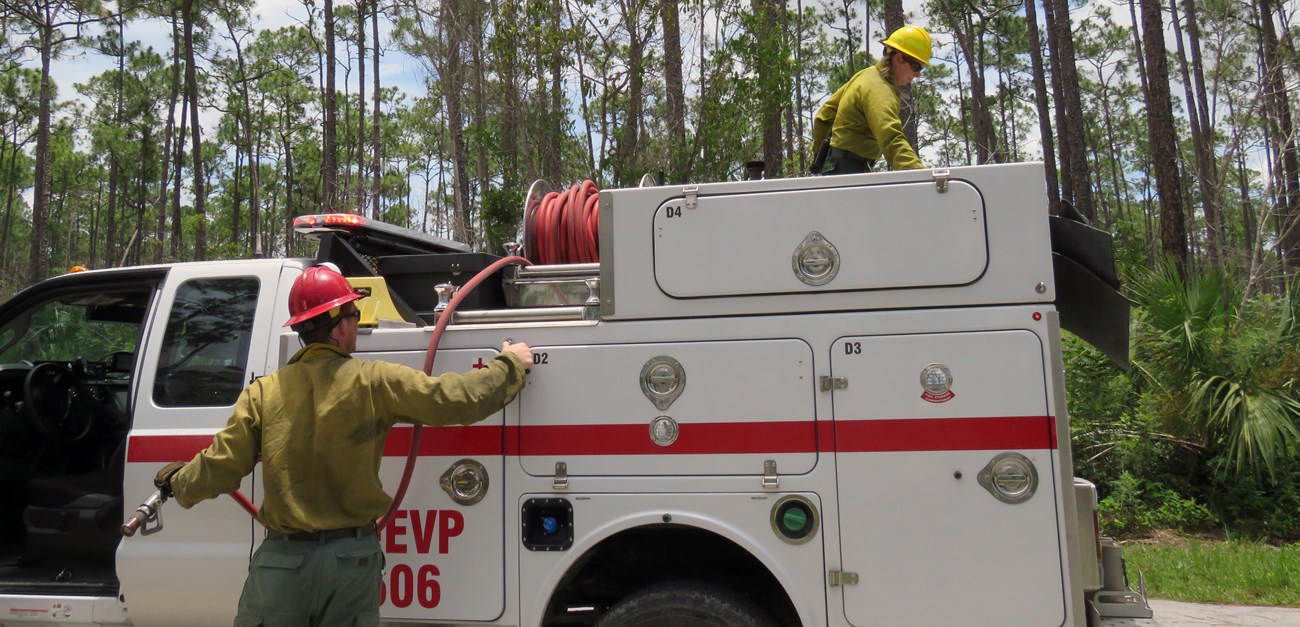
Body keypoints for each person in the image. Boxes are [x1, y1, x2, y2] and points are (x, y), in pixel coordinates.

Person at [152, 264, 533, 626]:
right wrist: (510, 365)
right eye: (352, 315)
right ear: (337, 329)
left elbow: (220, 467)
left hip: (283, 564)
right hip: (351, 563)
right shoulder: (373, 381)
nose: (356, 323)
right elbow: (453, 398)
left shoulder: (263, 394)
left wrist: (178, 482)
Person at [810, 25, 932, 174]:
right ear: (898, 58)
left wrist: (820, 160)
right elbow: (891, 139)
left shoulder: (866, 75)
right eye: (916, 67)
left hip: (837, 168)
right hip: (851, 173)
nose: (917, 74)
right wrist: (922, 177)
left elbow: (825, 115)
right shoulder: (879, 89)